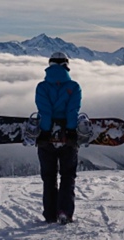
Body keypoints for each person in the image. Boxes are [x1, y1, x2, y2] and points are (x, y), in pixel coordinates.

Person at [35, 52, 82, 224]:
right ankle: (65, 212)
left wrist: (45, 131)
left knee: (49, 177)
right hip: (67, 138)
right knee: (68, 175)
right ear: (66, 66)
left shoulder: (41, 87)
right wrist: (70, 130)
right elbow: (72, 111)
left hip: (45, 138)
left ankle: (50, 215)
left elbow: (45, 110)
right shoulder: (74, 86)